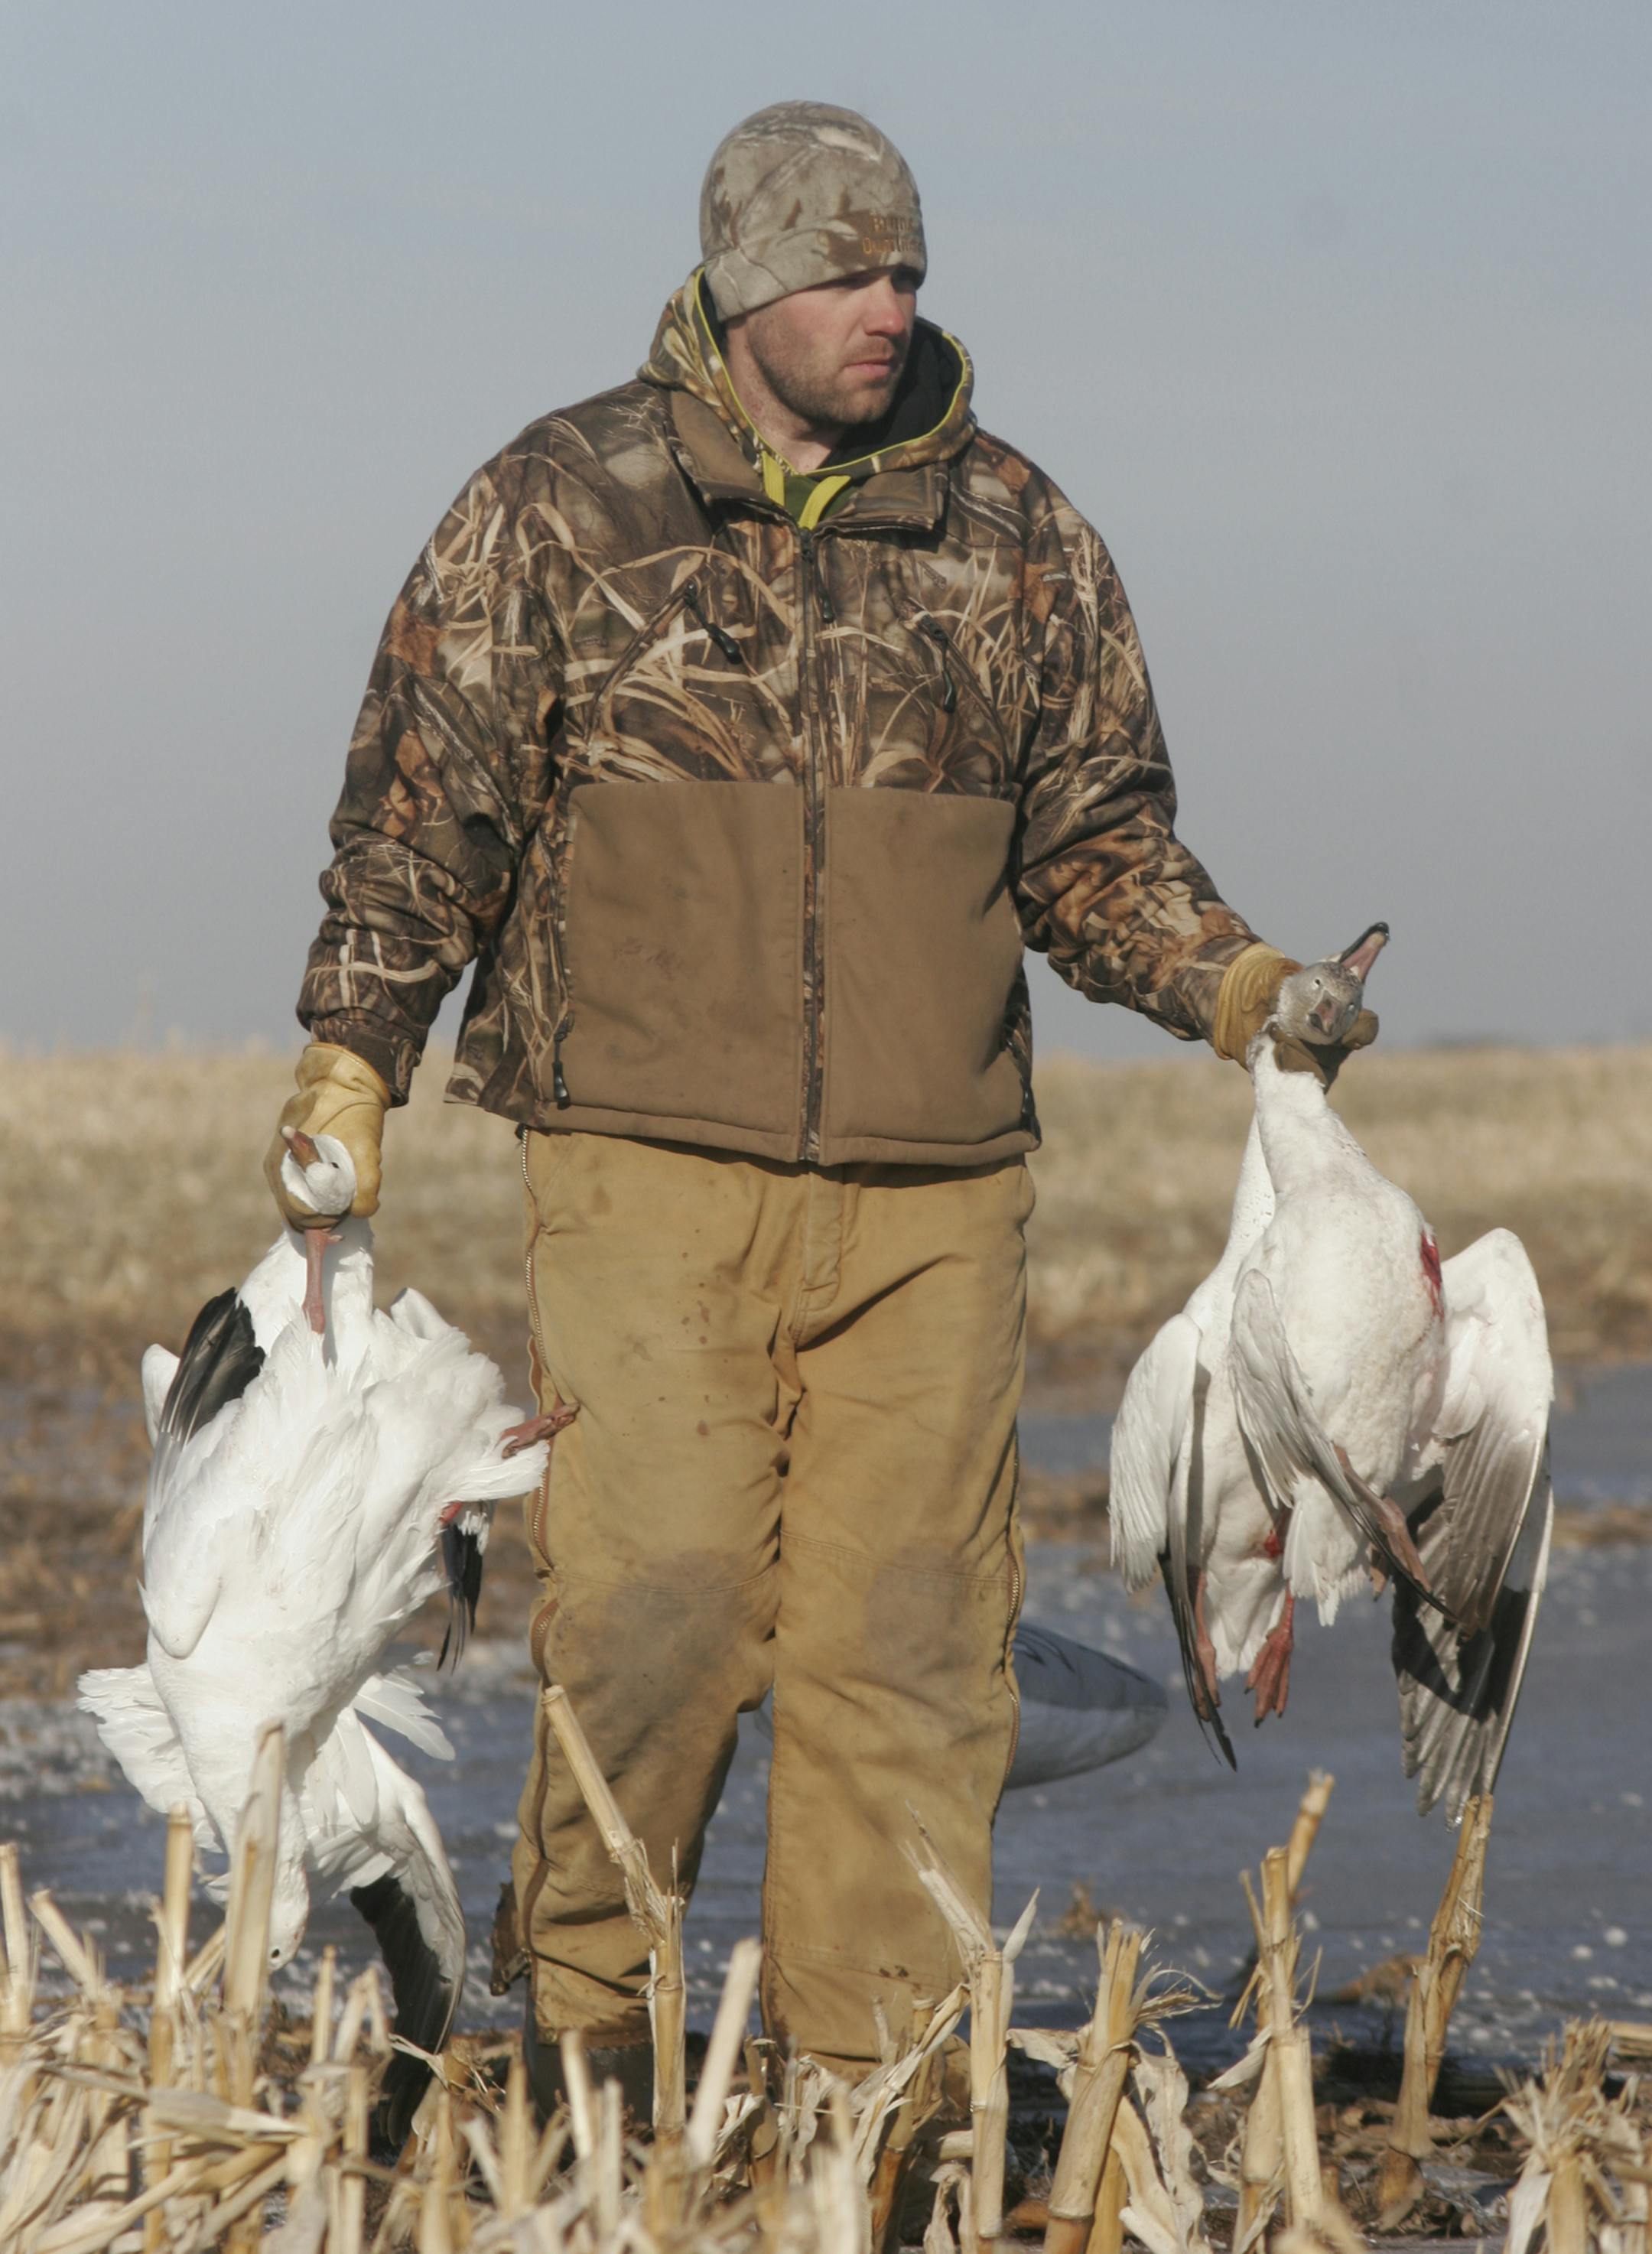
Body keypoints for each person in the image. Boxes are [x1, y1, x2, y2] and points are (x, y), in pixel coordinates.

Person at [265, 100, 1352, 2106]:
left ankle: (885, 2094)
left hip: (937, 1195)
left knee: (914, 1658)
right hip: (641, 1165)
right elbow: (422, 812)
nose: (889, 305)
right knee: (658, 1618)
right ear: (743, 283)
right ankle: (590, 2050)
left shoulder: (1017, 535)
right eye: (849, 271)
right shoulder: (561, 505)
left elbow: (1101, 851)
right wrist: (358, 1038)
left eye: (910, 269)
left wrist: (1242, 984)